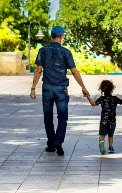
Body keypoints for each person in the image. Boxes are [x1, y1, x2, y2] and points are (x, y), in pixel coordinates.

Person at [30, 26, 90, 156]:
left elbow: (38, 70)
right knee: (62, 116)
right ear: (61, 36)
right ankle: (59, 140)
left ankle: (51, 144)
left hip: (47, 87)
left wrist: (33, 88)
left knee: (48, 116)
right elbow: (74, 71)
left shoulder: (43, 50)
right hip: (61, 89)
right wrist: (83, 87)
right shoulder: (66, 52)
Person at [85, 79, 122, 154]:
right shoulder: (114, 98)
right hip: (112, 121)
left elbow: (93, 104)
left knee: (102, 135)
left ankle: (101, 144)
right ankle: (110, 148)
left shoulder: (102, 98)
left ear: (101, 89)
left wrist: (88, 96)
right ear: (112, 89)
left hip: (103, 121)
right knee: (111, 135)